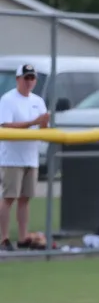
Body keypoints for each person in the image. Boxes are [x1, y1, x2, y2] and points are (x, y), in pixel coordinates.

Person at [0, 64, 49, 251]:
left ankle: (23, 236)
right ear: (18, 79)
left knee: (25, 198)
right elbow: (5, 126)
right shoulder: (8, 99)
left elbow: (42, 128)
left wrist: (43, 123)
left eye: (32, 78)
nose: (29, 82)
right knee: (9, 197)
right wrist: (33, 122)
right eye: (26, 78)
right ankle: (3, 238)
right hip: (12, 158)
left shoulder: (37, 100)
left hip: (31, 156)